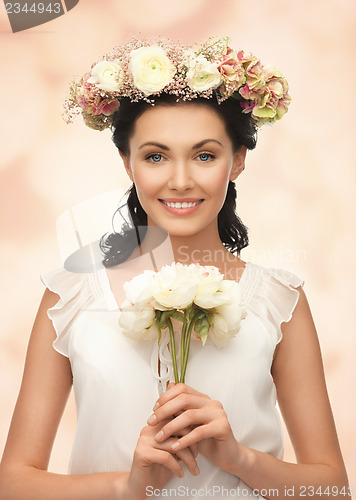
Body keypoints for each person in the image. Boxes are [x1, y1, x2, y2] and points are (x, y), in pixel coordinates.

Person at [0, 35, 351, 500]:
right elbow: (14, 483)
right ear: (128, 162)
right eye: (155, 156)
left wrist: (239, 458)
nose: (181, 180)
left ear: (238, 161)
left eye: (205, 155)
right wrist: (127, 488)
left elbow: (330, 488)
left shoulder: (278, 300)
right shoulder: (72, 298)